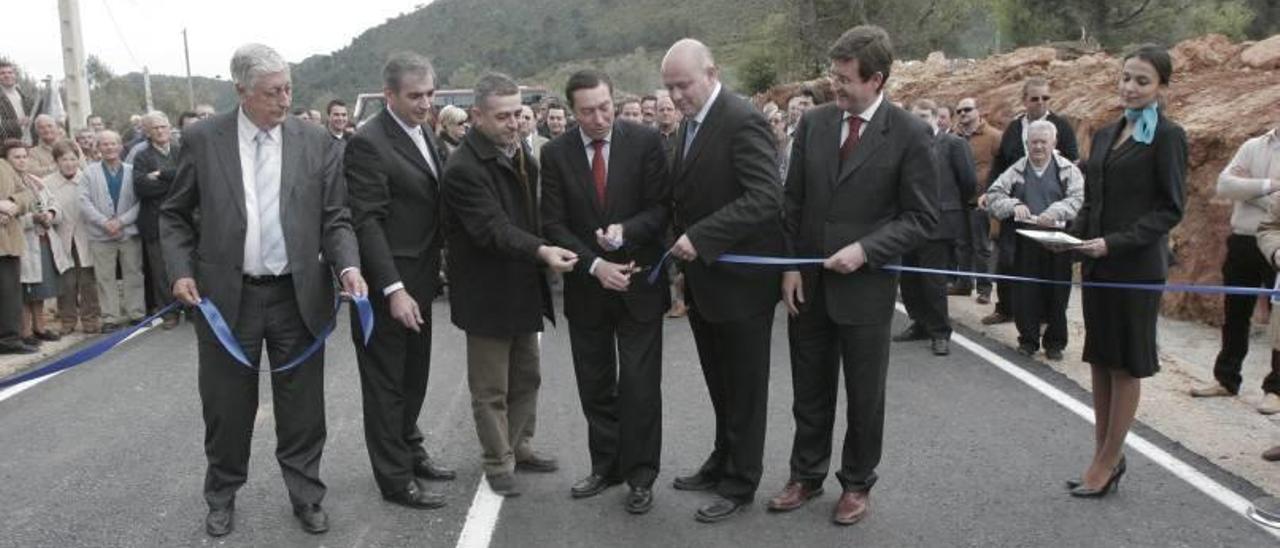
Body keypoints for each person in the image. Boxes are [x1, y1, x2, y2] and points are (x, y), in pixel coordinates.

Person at [159, 43, 366, 537]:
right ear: (241, 91)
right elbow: (174, 214)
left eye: (289, 88)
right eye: (273, 92)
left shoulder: (316, 140)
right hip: (228, 298)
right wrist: (180, 270)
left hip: (298, 295)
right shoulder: (204, 139)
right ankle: (222, 494)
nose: (285, 99)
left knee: (302, 405)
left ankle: (306, 494)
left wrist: (349, 267)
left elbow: (336, 218)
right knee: (227, 406)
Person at [772, 25, 936, 526]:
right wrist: (792, 268)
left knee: (865, 396)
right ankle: (806, 473)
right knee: (809, 388)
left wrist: (865, 250)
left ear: (877, 80)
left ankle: (857, 483)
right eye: (833, 76)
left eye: (845, 79)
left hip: (866, 290)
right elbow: (793, 203)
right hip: (811, 286)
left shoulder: (908, 133)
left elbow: (922, 217)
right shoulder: (816, 124)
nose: (835, 86)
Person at [661, 38, 785, 524]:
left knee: (745, 388)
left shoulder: (741, 119)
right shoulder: (688, 127)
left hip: (741, 283)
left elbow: (765, 197)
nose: (675, 96)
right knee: (720, 384)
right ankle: (721, 458)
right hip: (704, 281)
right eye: (669, 87)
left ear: (711, 73)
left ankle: (740, 481)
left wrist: (702, 236)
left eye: (683, 85)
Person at [441, 72, 577, 498]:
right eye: (502, 116)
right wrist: (542, 252)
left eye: (518, 113)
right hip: (486, 292)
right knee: (490, 387)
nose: (514, 122)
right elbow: (492, 229)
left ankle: (520, 445)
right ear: (476, 115)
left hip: (521, 284)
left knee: (526, 376)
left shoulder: (517, 152)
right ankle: (498, 461)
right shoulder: (463, 167)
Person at [541, 69, 669, 514]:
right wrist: (595, 266)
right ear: (571, 111)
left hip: (638, 284)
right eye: (587, 111)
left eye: (605, 107)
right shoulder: (556, 154)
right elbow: (552, 222)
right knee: (595, 384)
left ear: (615, 100)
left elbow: (660, 208)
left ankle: (640, 475)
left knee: (638, 385)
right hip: (587, 288)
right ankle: (606, 466)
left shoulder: (646, 142)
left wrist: (626, 232)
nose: (598, 118)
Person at [1064, 44, 1186, 498]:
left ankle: (1108, 461)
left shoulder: (1169, 136)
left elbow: (1169, 210)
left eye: (1142, 81)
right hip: (1097, 265)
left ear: (1162, 88)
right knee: (1100, 359)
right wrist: (1072, 236)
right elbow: (1093, 200)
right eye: (1126, 78)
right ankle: (1103, 455)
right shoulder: (1105, 131)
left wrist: (1113, 243)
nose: (1130, 88)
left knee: (1125, 367)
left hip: (1135, 268)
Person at [344, 51, 455, 511]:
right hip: (390, 287)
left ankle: (411, 450)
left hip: (423, 282)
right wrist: (393, 290)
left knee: (414, 378)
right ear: (388, 95)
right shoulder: (368, 142)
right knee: (387, 385)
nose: (425, 103)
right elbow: (366, 222)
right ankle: (394, 479)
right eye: (415, 96)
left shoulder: (423, 130)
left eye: (430, 94)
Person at [1192, 126, 1280, 415]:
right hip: (1242, 238)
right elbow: (1225, 185)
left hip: (1277, 246)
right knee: (1235, 313)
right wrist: (1269, 186)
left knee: (1279, 321)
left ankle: (1275, 389)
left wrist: (1249, 189)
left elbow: (1239, 189)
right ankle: (1226, 378)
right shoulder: (1254, 145)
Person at [984, 120, 1083, 360]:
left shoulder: (1068, 170)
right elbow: (993, 196)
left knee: (1057, 293)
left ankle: (1055, 343)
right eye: (1033, 142)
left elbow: (1077, 198)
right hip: (1025, 240)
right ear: (1027, 144)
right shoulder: (1017, 170)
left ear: (1054, 143)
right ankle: (1027, 340)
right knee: (1026, 292)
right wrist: (1014, 204)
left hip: (1058, 242)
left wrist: (1056, 212)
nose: (1038, 147)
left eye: (1043, 142)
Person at [985, 77, 1080, 326]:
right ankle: (1006, 308)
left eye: (1045, 98)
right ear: (1024, 100)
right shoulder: (1015, 128)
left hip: (1050, 213)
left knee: (1050, 269)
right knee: (1008, 260)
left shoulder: (1062, 127)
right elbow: (1001, 162)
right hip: (1017, 209)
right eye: (1034, 98)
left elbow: (1072, 166)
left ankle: (1047, 319)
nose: (1040, 103)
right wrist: (991, 191)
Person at [894, 99, 974, 356]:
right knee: (910, 280)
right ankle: (920, 323)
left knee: (933, 281)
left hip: (939, 224)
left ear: (937, 118)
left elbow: (968, 182)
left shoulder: (954, 144)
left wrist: (950, 210)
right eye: (915, 116)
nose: (921, 120)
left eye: (925, 115)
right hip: (908, 222)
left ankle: (940, 332)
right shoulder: (905, 145)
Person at [79, 130, 144, 332]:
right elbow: (83, 201)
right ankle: (110, 318)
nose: (109, 148)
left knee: (133, 273)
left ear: (120, 146)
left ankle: (136, 313)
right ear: (98, 148)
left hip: (128, 232)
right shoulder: (90, 172)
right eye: (104, 144)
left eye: (113, 143)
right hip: (101, 234)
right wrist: (104, 222)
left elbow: (141, 201)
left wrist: (121, 222)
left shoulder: (132, 170)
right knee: (105, 277)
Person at [7, 142, 68, 346]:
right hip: (22, 243)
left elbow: (54, 203)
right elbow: (9, 217)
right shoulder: (6, 183)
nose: (22, 160)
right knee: (25, 289)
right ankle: (25, 332)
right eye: (16, 157)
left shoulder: (35, 181)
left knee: (40, 289)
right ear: (7, 161)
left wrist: (50, 214)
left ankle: (39, 327)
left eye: (24, 156)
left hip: (43, 240)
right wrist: (31, 219)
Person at [132, 111, 182, 329]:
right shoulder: (142, 156)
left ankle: (190, 307)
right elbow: (141, 187)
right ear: (147, 133)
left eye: (164, 126)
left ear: (170, 127)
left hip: (183, 219)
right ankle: (169, 312)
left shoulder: (182, 151)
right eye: (155, 128)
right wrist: (175, 179)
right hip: (155, 221)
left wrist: (161, 175)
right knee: (161, 271)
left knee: (184, 265)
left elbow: (191, 178)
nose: (161, 131)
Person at [45, 140, 99, 335]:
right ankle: (67, 320)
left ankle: (90, 319)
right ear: (56, 161)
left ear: (78, 159)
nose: (69, 163)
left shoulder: (88, 178)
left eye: (72, 159)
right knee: (66, 281)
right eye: (64, 159)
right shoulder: (47, 183)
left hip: (85, 236)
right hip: (61, 236)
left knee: (87, 280)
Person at [950, 97, 1001, 301]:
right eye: (959, 111)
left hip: (983, 201)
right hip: (959, 199)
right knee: (962, 244)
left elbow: (1004, 167)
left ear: (978, 111)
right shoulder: (954, 137)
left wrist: (993, 192)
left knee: (982, 247)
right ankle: (963, 283)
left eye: (968, 109)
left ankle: (984, 289)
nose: (963, 114)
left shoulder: (994, 137)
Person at [0, 144, 35, 354]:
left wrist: (13, 204)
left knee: (10, 293)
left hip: (9, 241)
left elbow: (27, 194)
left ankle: (10, 338)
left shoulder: (5, 166)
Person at [0, 61, 33, 143]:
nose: (7, 75)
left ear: (15, 75)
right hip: (6, 146)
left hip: (29, 143)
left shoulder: (25, 97)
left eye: (10, 72)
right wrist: (17, 123)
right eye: (2, 73)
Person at [768, 108, 790, 179]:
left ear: (784, 123)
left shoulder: (791, 143)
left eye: (776, 121)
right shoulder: (767, 142)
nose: (772, 124)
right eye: (770, 121)